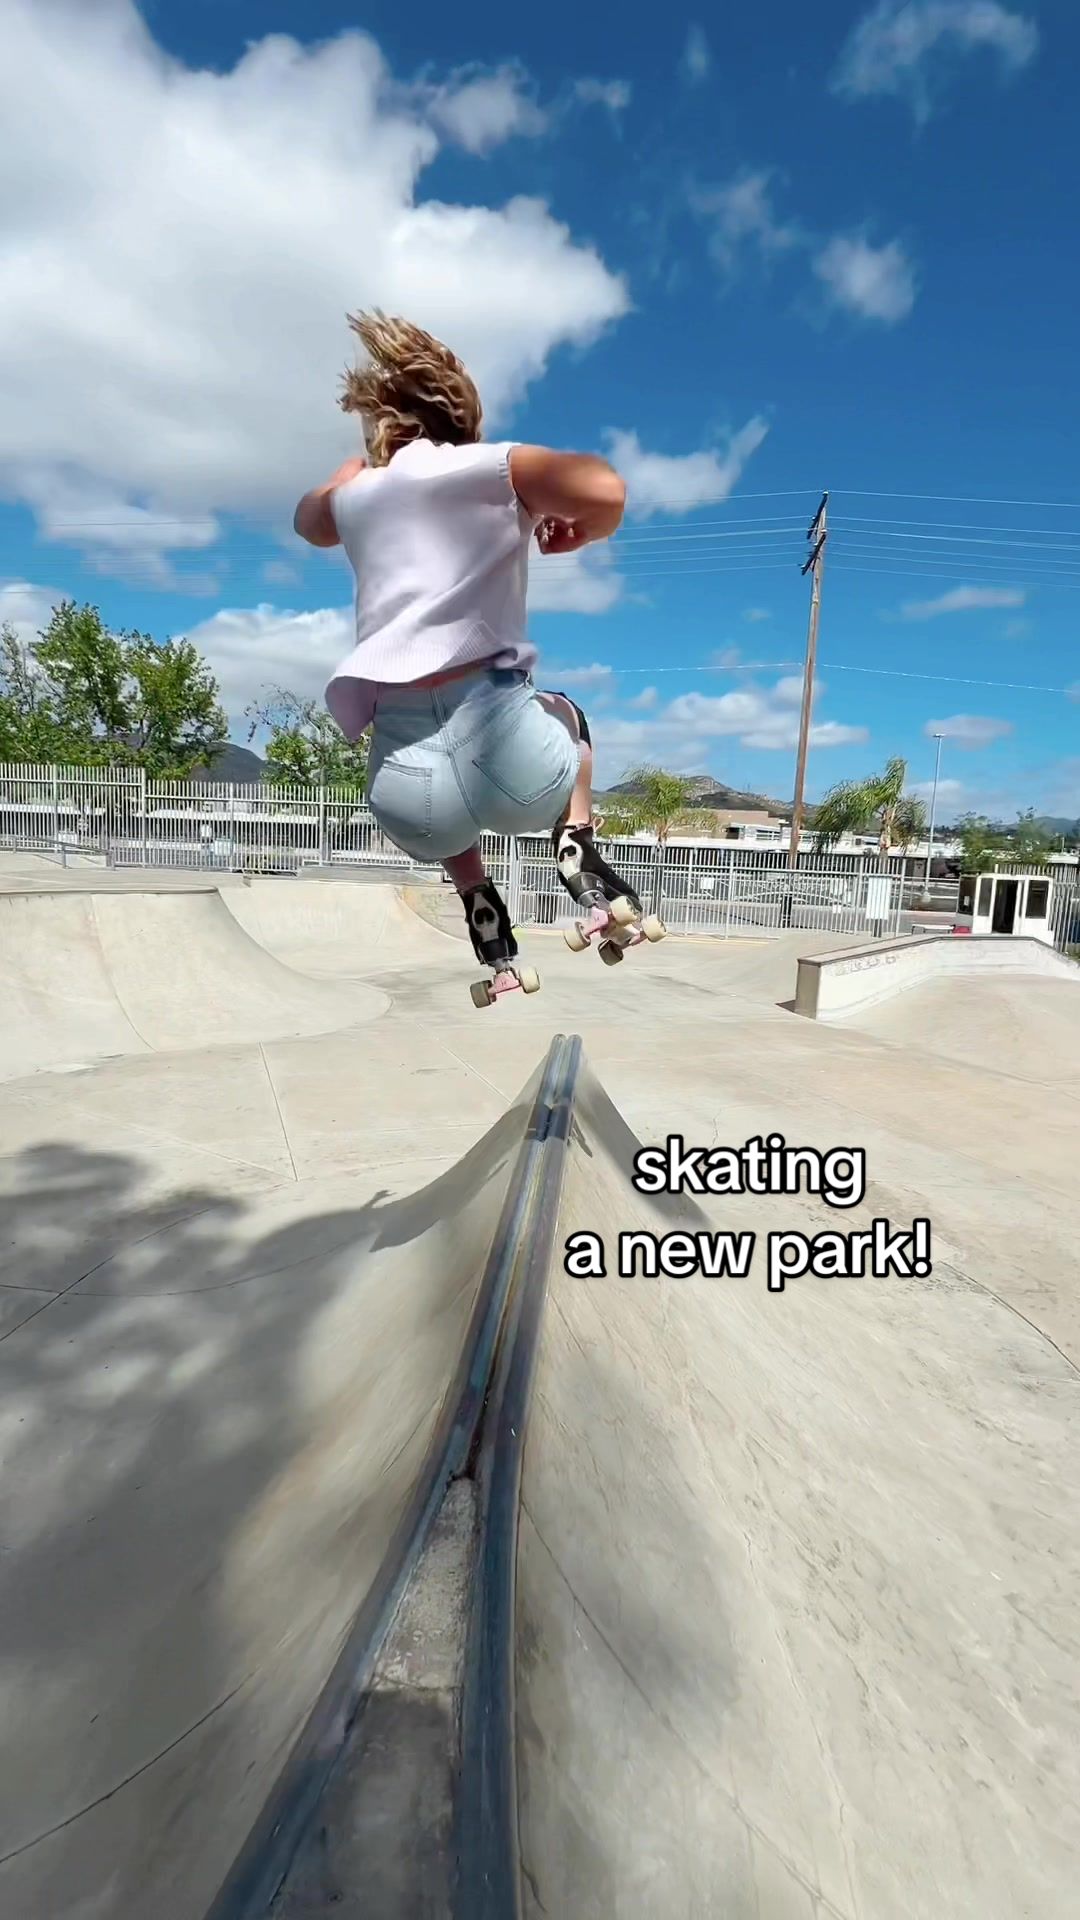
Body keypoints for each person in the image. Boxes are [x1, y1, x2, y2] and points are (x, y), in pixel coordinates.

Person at [293, 310, 643, 976]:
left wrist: (343, 477)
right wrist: (580, 530)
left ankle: (475, 894)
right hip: (513, 759)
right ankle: (575, 841)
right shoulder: (498, 466)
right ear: (463, 420)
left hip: (406, 791)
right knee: (569, 714)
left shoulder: (355, 495)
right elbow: (607, 490)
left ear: (382, 421)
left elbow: (307, 521)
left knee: (445, 818)